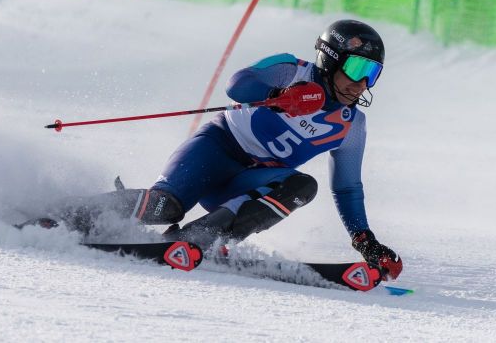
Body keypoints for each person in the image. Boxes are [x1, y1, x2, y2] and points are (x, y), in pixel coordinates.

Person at [47, 19, 402, 281]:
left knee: (303, 186)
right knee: (164, 207)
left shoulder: (351, 126)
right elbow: (237, 84)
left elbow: (347, 188)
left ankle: (193, 239)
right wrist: (279, 97)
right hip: (216, 149)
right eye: (356, 68)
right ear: (330, 59)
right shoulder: (292, 71)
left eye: (371, 74)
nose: (361, 83)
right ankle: (64, 214)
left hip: (248, 182)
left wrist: (365, 241)